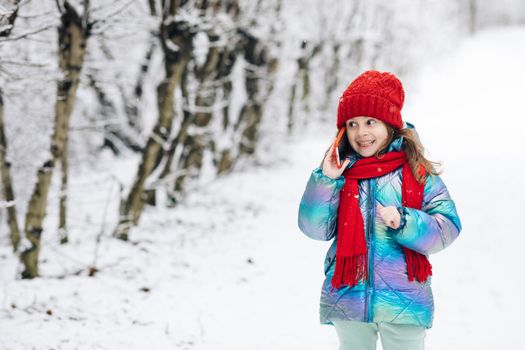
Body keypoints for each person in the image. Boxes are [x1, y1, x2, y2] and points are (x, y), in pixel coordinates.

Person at [297, 70, 462, 350]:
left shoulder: (417, 172)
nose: (360, 132)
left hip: (404, 299)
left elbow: (448, 227)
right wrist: (326, 180)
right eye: (352, 124)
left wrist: (406, 222)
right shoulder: (340, 172)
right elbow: (314, 229)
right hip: (349, 296)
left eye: (370, 122)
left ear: (389, 124)